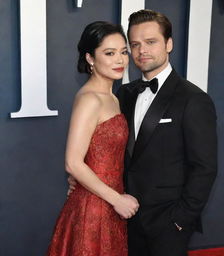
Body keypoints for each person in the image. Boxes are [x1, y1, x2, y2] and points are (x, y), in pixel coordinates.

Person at [69, 9, 217, 256]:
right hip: (123, 217)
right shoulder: (123, 95)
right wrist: (82, 177)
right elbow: (106, 145)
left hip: (168, 224)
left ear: (168, 44)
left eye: (150, 42)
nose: (141, 51)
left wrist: (181, 220)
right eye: (134, 45)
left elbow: (205, 167)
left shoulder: (193, 99)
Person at [46, 21, 139, 256]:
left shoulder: (113, 97)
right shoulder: (90, 99)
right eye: (109, 53)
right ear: (90, 58)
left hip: (108, 206)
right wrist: (116, 199)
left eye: (123, 52)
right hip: (94, 209)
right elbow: (73, 162)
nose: (120, 60)